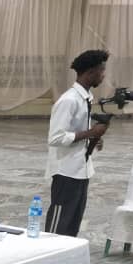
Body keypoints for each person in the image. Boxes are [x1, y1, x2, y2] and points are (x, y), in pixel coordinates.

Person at [45, 50, 110, 237]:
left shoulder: (85, 98)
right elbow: (55, 138)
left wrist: (93, 138)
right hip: (66, 172)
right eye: (101, 71)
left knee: (73, 223)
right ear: (90, 72)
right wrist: (90, 133)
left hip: (81, 169)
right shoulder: (69, 100)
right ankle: (50, 258)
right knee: (58, 226)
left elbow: (77, 131)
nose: (103, 75)